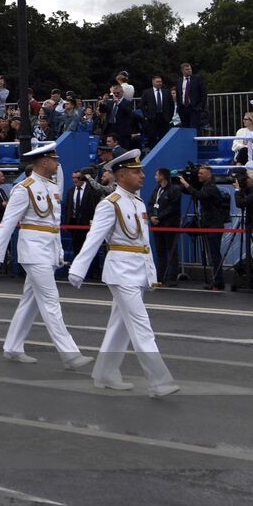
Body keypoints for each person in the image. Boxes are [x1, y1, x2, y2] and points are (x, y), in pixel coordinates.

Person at [68, 150, 180, 398]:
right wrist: (78, 268)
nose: (142, 175)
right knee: (141, 326)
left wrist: (150, 274)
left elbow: (144, 244)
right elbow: (94, 238)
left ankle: (105, 373)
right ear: (121, 175)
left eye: (141, 170)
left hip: (137, 271)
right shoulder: (110, 204)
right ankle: (159, 381)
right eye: (136, 171)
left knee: (119, 326)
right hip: (120, 272)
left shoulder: (138, 202)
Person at [0, 143, 92, 370]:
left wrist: (59, 252)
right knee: (50, 301)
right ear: (44, 162)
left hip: (48, 250)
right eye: (54, 160)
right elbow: (8, 223)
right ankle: (70, 354)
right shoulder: (24, 188)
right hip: (33, 251)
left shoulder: (51, 187)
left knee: (30, 302)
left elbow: (54, 224)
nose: (57, 164)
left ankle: (13, 346)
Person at [179, 164, 229, 290]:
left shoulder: (211, 188)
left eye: (201, 173)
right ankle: (216, 280)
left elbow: (199, 196)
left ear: (209, 175)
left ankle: (218, 281)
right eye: (198, 173)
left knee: (214, 254)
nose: (198, 175)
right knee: (212, 254)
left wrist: (186, 184)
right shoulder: (205, 187)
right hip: (209, 224)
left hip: (214, 224)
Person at [149, 168, 183, 287]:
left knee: (172, 251)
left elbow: (173, 207)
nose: (155, 176)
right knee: (160, 252)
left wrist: (159, 217)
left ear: (163, 176)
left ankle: (172, 278)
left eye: (157, 174)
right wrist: (151, 216)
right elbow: (151, 203)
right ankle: (160, 277)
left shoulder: (175, 189)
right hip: (157, 226)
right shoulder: (157, 189)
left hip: (169, 225)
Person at [140, 77, 175, 149]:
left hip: (164, 118)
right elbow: (142, 105)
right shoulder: (147, 92)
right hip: (152, 119)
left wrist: (169, 117)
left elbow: (171, 105)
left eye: (161, 82)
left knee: (164, 137)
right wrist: (146, 116)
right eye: (158, 82)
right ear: (153, 82)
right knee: (152, 137)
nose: (160, 83)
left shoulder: (166, 92)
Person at [176, 63, 207, 130]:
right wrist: (179, 106)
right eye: (187, 69)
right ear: (182, 71)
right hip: (183, 108)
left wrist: (200, 106)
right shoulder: (179, 81)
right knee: (185, 128)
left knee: (194, 127)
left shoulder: (197, 79)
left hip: (194, 108)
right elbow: (178, 94)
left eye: (190, 69)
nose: (189, 71)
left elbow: (203, 93)